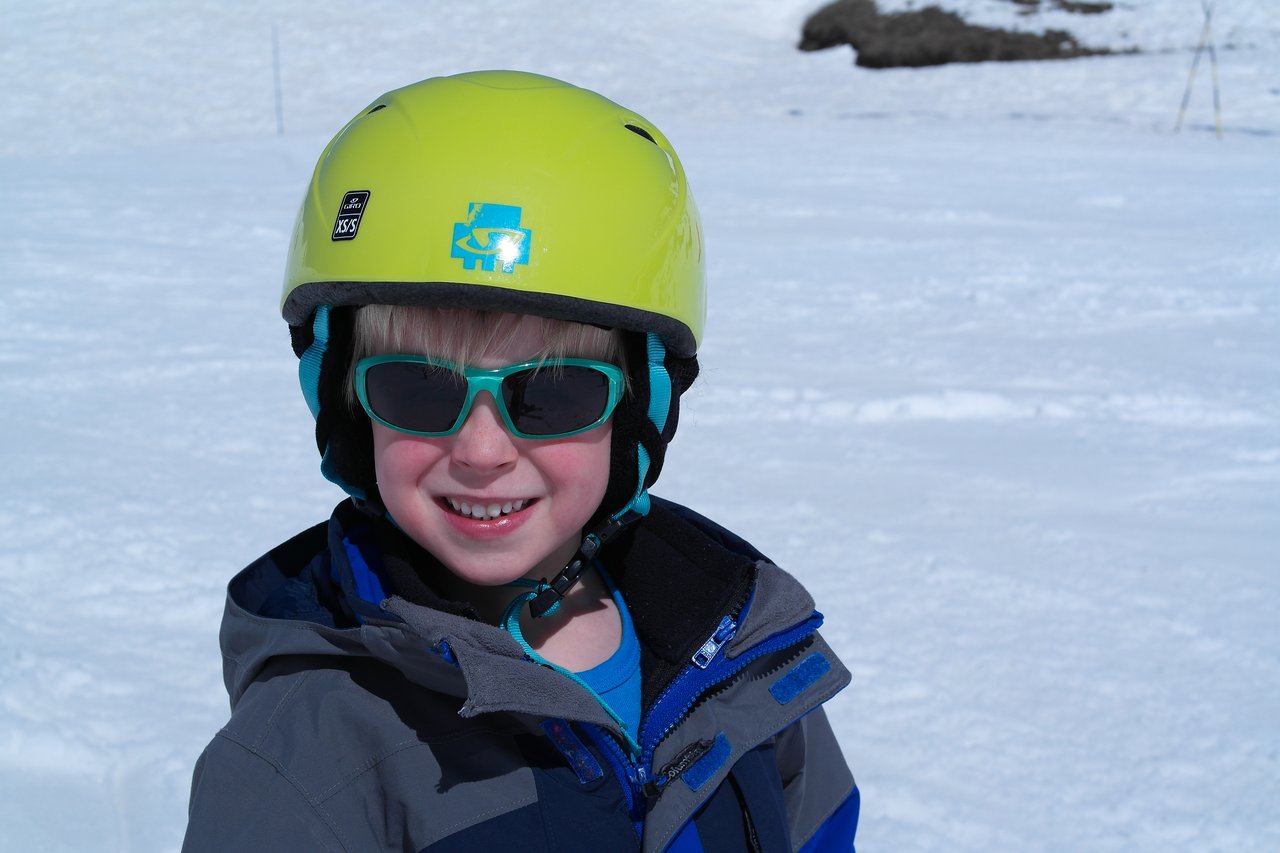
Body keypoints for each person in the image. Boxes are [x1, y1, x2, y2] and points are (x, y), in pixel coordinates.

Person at [183, 70, 859, 853]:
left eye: (552, 394)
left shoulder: (741, 649)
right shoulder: (304, 757)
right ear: (344, 401)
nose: (480, 450)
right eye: (416, 388)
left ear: (640, 406)